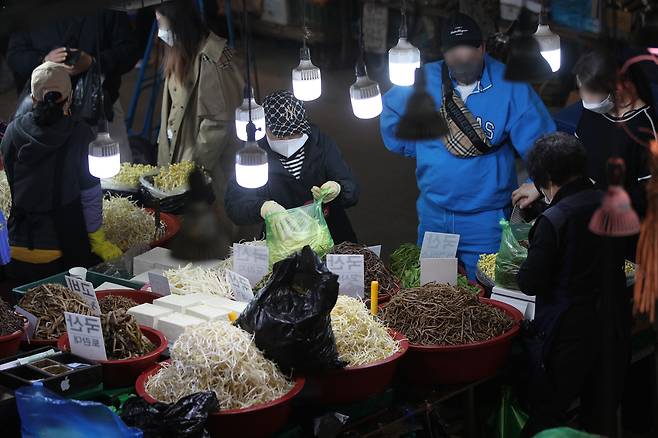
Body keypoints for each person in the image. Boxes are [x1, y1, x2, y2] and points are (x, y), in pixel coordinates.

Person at [380, 13, 555, 279]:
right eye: (454, 49)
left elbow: (546, 142)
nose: (462, 56)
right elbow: (391, 111)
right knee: (432, 291)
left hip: (486, 218)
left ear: (482, 47)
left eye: (469, 48)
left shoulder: (510, 85)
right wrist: (423, 149)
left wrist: (538, 183)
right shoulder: (425, 79)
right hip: (433, 213)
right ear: (444, 52)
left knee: (487, 292)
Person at [517, 132, 626, 437]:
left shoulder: (554, 220)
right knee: (599, 420)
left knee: (546, 421)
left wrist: (529, 253)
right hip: (614, 326)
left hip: (569, 336)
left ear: (546, 178)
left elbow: (530, 282)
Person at [0, 62, 122, 283]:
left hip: (15, 247)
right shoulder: (80, 133)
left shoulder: (12, 131)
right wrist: (97, 239)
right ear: (70, 97)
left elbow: (12, 179)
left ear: (33, 97)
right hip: (63, 250)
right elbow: (90, 193)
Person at [514, 50, 656, 218]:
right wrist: (543, 186)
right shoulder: (595, 109)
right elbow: (575, 158)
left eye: (589, 93)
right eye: (581, 89)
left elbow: (647, 197)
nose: (583, 98)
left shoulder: (644, 130)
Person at [155, 0, 245, 247]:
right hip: (180, 159)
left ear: (177, 24)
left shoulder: (210, 60)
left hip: (204, 167)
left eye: (161, 23)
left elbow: (217, 123)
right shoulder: (181, 52)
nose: (159, 31)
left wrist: (192, 170)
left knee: (213, 235)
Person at [225, 90, 360, 244]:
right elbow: (235, 204)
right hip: (283, 240)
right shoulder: (253, 155)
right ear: (264, 128)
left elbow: (352, 189)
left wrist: (338, 189)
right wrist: (263, 207)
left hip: (331, 234)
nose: (288, 139)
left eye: (295, 133)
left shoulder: (320, 143)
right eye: (280, 135)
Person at [6, 9, 139, 163]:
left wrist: (93, 62)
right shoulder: (31, 8)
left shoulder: (106, 8)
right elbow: (14, 55)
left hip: (99, 109)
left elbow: (129, 50)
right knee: (51, 175)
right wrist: (44, 61)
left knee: (116, 177)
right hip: (45, 115)